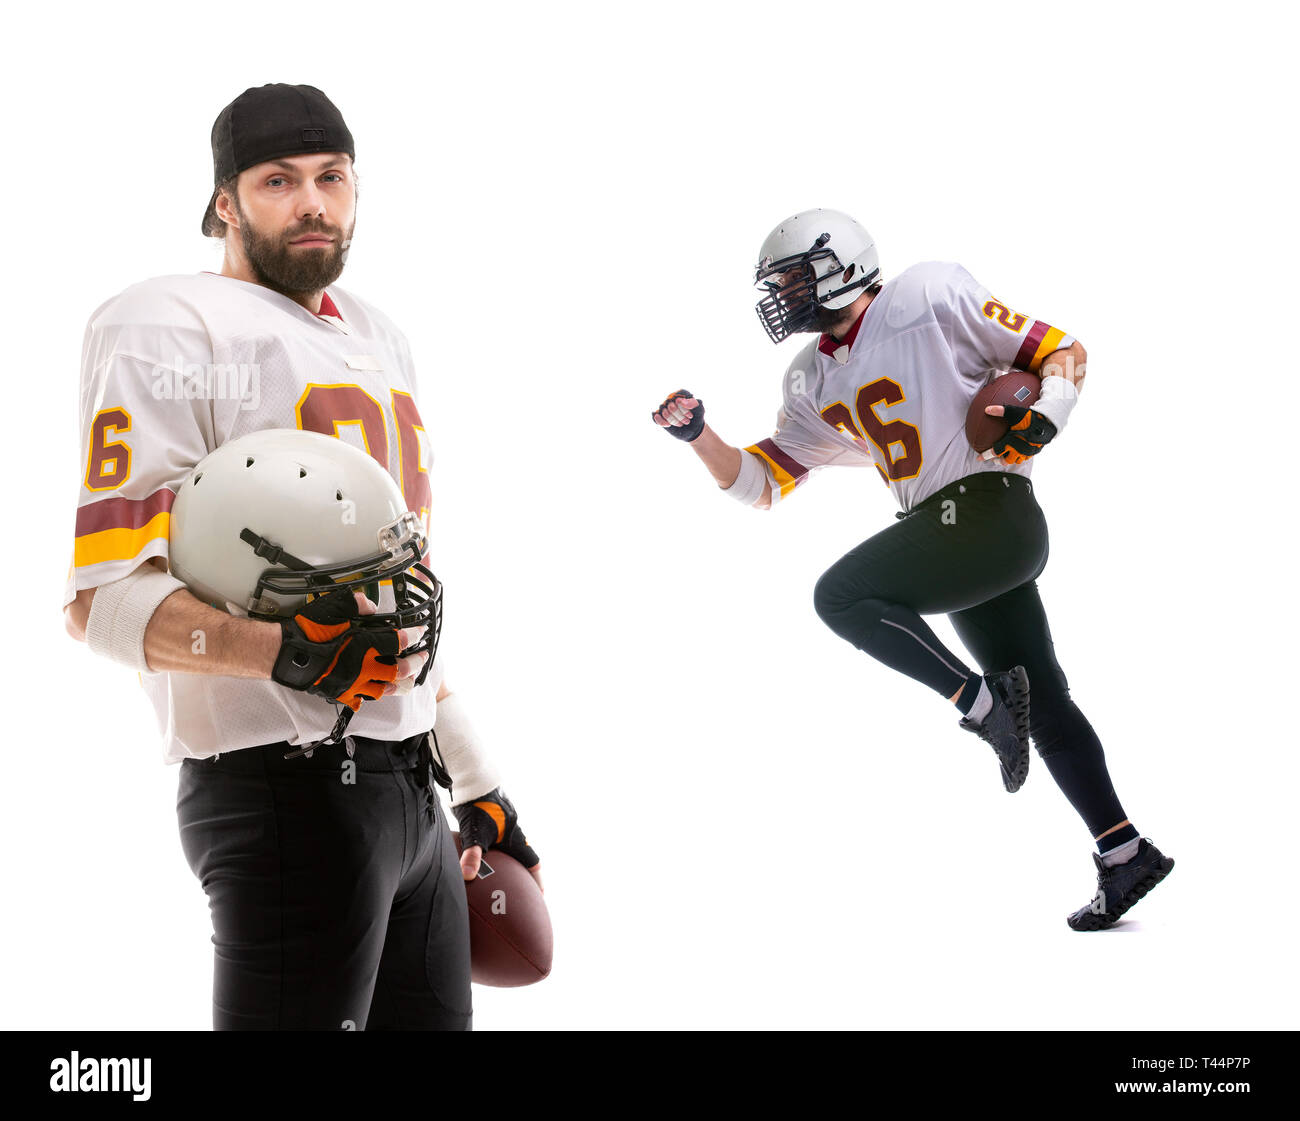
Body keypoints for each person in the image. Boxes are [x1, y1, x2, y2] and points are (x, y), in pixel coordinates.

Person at [62, 83, 539, 1029]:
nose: (312, 201)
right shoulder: (165, 324)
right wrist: (287, 652)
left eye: (331, 177)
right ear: (224, 203)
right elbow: (102, 603)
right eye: (278, 181)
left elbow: (388, 600)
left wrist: (476, 777)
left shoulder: (378, 334)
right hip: (281, 784)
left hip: (410, 786)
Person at [651, 208, 1172, 930]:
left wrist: (1044, 418)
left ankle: (980, 705)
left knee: (840, 595)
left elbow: (1060, 349)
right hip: (955, 535)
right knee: (1044, 702)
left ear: (841, 265)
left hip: (986, 511)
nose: (785, 294)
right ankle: (1126, 854)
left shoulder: (925, 294)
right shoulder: (811, 376)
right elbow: (761, 481)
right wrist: (699, 436)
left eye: (795, 276)